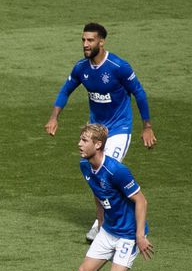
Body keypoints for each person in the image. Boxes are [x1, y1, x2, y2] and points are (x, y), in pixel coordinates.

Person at [37, 124, 153, 271]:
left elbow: (141, 201)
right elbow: (99, 195)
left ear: (98, 144)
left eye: (84, 140)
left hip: (129, 234)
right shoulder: (85, 166)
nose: (79, 144)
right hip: (109, 230)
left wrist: (140, 236)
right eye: (80, 139)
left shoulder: (117, 171)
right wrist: (101, 226)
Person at [44, 22, 155, 241]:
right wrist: (54, 117)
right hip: (96, 129)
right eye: (83, 40)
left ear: (101, 42)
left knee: (107, 171)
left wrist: (147, 127)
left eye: (90, 40)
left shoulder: (118, 66)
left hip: (119, 129)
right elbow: (66, 90)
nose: (85, 44)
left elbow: (139, 93)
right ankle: (104, 222)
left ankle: (109, 223)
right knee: (96, 173)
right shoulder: (81, 68)